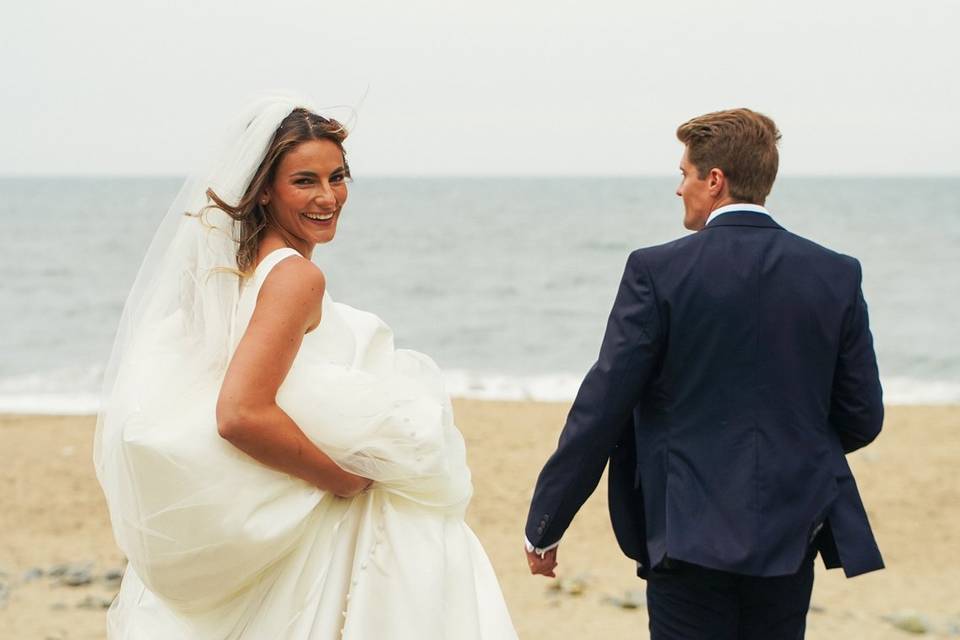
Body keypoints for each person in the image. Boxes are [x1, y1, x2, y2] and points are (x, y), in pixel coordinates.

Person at [95, 97, 517, 639]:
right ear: (264, 188)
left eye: (337, 177)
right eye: (304, 181)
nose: (328, 196)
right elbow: (240, 413)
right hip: (319, 506)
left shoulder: (229, 271)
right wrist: (343, 480)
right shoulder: (294, 278)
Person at [523, 108, 884, 639]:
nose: (678, 188)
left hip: (686, 532)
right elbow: (862, 416)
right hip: (791, 532)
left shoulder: (657, 271)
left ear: (714, 181)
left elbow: (603, 406)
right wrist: (790, 451)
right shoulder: (835, 272)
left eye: (684, 173)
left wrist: (546, 523)